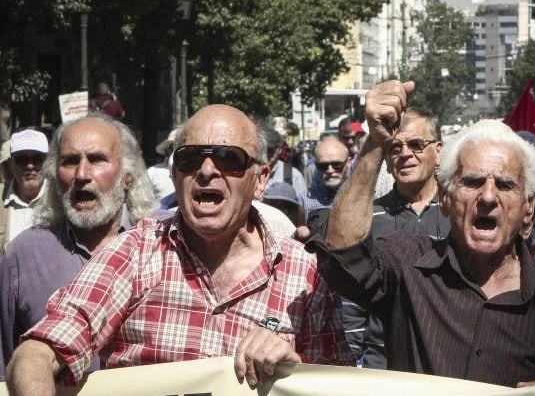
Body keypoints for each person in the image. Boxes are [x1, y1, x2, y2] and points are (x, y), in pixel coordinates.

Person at [4, 105, 350, 394]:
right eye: (190, 159)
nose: (207, 170)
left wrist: (294, 369)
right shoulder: (136, 252)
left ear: (260, 179)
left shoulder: (305, 274)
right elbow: (36, 353)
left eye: (229, 158)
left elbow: (339, 385)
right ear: (174, 176)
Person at [306, 80, 535, 387]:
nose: (487, 197)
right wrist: (376, 144)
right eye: (472, 182)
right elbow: (343, 254)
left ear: (528, 208)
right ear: (445, 200)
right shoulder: (408, 267)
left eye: (505, 184)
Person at [0, 114, 157, 380]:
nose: (82, 175)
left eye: (97, 159)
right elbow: (5, 364)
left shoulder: (164, 239)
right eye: (70, 161)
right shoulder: (24, 254)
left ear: (127, 177)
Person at [316, 106, 450, 369]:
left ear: (438, 151)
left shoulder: (460, 214)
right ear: (386, 161)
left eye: (416, 144)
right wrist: (353, 368)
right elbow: (352, 302)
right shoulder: (367, 219)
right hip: (384, 371)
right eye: (395, 148)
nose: (405, 154)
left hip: (447, 367)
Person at [1, 130, 49, 254]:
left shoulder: (60, 199)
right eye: (22, 159)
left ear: (48, 162)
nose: (29, 166)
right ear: (11, 164)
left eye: (38, 159)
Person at [300, 134, 351, 218]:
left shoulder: (363, 195)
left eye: (336, 165)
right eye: (323, 166)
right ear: (316, 165)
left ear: (348, 162)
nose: (330, 170)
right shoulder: (304, 200)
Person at [263, 128, 307, 199]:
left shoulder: (293, 175)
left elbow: (302, 206)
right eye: (262, 150)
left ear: (279, 150)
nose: (265, 155)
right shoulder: (250, 172)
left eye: (269, 150)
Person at [146, 127, 178, 203]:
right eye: (173, 146)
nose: (177, 149)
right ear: (167, 148)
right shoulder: (152, 172)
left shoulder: (197, 171)